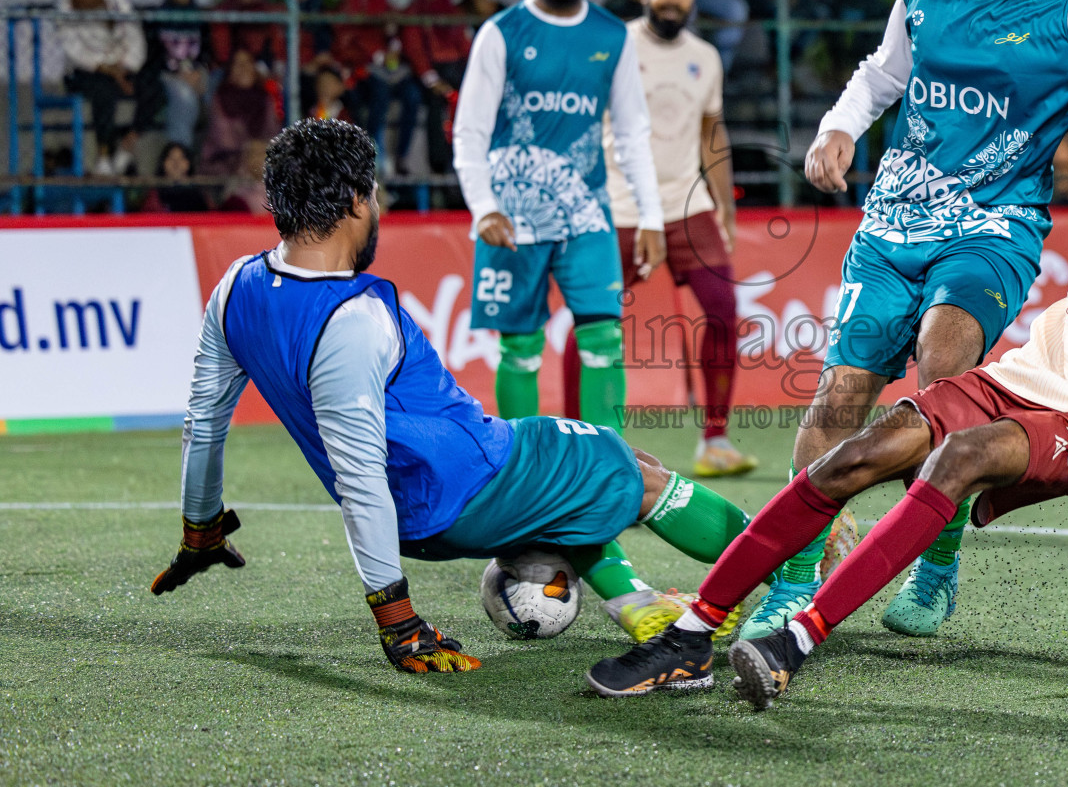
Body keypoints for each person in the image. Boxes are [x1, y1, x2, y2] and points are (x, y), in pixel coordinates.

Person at [589, 5, 1068, 704]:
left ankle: (797, 639)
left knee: (960, 457)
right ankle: (692, 634)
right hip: (1031, 376)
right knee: (859, 452)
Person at [150, 119, 757, 675]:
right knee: (623, 464)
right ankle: (791, 562)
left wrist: (201, 527)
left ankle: (636, 603)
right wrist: (398, 620)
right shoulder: (353, 319)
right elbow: (358, 473)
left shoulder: (236, 287)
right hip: (472, 484)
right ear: (359, 200)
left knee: (584, 475)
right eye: (377, 195)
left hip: (426, 508)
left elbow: (203, 423)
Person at [741, 0, 1068, 643]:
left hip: (993, 231)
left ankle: (937, 564)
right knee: (840, 395)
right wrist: (838, 128)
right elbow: (883, 71)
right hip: (892, 226)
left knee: (942, 368)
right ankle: (793, 582)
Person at [453, 0, 666, 434]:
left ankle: (603, 472)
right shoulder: (501, 33)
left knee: (604, 338)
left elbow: (632, 131)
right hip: (511, 218)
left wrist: (652, 217)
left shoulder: (611, 35)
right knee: (521, 348)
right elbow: (470, 131)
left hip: (586, 213)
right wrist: (483, 208)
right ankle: (522, 473)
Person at [562, 0, 754, 478]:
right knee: (591, 320)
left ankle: (715, 440)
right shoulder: (613, 44)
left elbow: (711, 133)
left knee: (723, 309)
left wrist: (725, 206)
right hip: (619, 207)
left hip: (686, 206)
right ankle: (579, 441)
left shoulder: (706, 57)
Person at [55, 0, 153, 175]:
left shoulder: (116, 0)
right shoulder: (65, 5)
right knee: (104, 89)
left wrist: (127, 67)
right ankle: (103, 155)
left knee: (153, 87)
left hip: (121, 65)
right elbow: (73, 49)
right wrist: (106, 68)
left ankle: (127, 144)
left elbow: (134, 35)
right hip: (85, 71)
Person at [333, 0, 422, 174]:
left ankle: (402, 156)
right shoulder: (346, 9)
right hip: (362, 73)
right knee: (379, 93)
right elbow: (343, 48)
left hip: (389, 72)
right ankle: (371, 150)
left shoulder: (387, 8)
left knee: (412, 95)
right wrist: (373, 55)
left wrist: (393, 45)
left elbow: (398, 43)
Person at [402, 0, 472, 176]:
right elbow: (415, 52)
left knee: (466, 102)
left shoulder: (453, 12)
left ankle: (466, 163)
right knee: (436, 104)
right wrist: (433, 81)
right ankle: (440, 166)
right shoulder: (414, 12)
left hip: (455, 72)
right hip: (429, 76)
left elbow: (466, 48)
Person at [143, 0, 210, 151]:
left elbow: (206, 52)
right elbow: (152, 58)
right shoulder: (158, 18)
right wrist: (178, 74)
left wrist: (199, 71)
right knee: (184, 97)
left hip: (197, 72)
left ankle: (213, 156)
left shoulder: (199, 18)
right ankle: (181, 156)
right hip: (169, 75)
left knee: (216, 92)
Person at [201, 47, 281, 177]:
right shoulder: (221, 98)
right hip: (226, 163)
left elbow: (273, 132)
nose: (244, 68)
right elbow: (223, 140)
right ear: (230, 71)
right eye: (238, 64)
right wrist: (251, 151)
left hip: (260, 160)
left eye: (248, 62)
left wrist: (259, 150)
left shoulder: (265, 97)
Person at [210, 0, 284, 71]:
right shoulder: (223, 12)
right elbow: (222, 54)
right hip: (233, 71)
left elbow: (279, 53)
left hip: (267, 70)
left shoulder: (269, 11)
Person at [142, 141, 210, 213]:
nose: (176, 162)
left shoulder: (199, 193)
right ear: (163, 163)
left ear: (188, 163)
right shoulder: (154, 195)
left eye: (181, 158)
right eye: (171, 158)